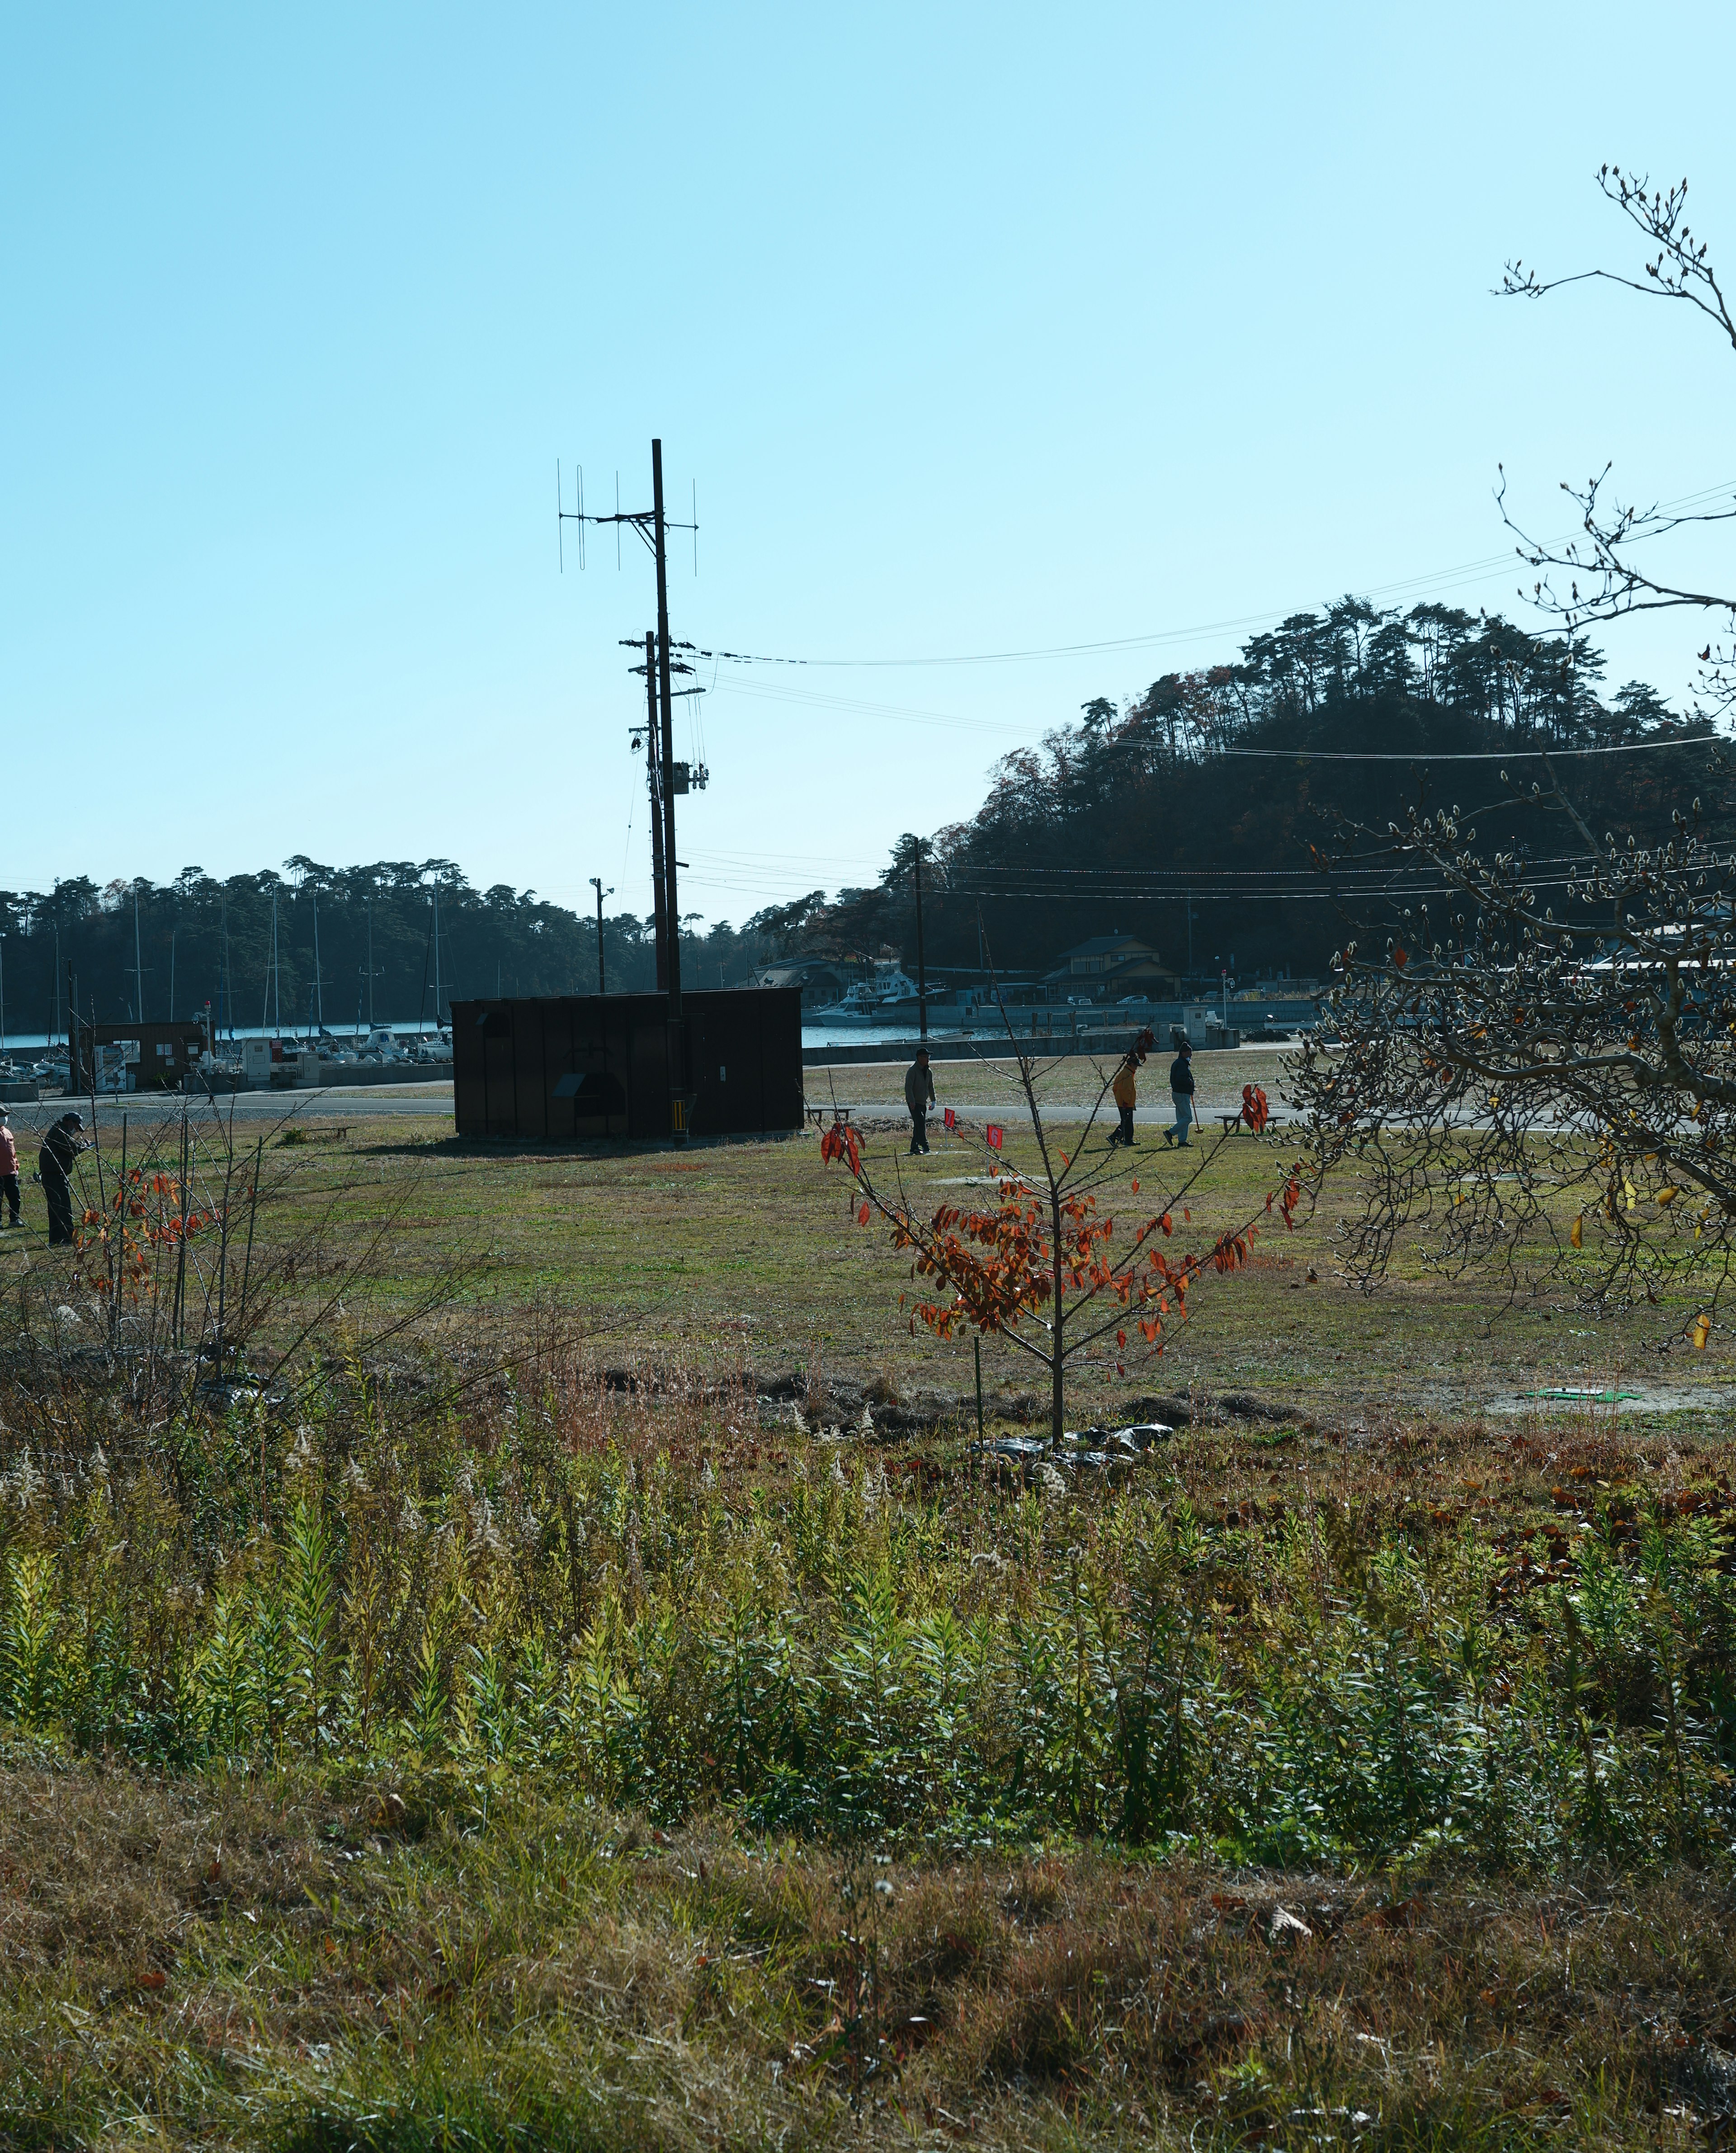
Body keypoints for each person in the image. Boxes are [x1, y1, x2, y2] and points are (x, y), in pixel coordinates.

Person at [39, 1111, 86, 1246]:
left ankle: (55, 1239)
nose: (76, 1131)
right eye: (76, 1127)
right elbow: (71, 1150)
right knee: (64, 1208)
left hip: (49, 1175)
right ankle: (67, 1239)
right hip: (56, 1176)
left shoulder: (58, 1130)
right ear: (70, 1122)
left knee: (54, 1209)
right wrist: (85, 1146)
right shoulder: (61, 1132)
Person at [1109, 1027, 1154, 1147]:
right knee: (1127, 1123)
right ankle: (1114, 1138)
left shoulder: (1124, 1073)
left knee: (1126, 1123)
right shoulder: (1128, 1075)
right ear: (1132, 1064)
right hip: (1125, 1104)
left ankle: (1127, 1140)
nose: (1137, 1068)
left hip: (1123, 1102)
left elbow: (1115, 1089)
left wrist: (1121, 1100)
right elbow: (1127, 1090)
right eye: (1136, 1066)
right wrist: (1126, 1102)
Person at [1164, 1035, 1195, 1147]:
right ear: (1184, 1053)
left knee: (1182, 1119)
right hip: (1182, 1094)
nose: (1191, 1055)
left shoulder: (1180, 1063)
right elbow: (1181, 1078)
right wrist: (1190, 1083)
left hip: (1179, 1093)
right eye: (1189, 1053)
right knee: (1188, 1118)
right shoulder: (1181, 1064)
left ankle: (1182, 1141)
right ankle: (1170, 1133)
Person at [905, 1047, 935, 1155]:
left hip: (923, 1102)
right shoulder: (913, 1071)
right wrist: (912, 1101)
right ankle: (923, 1145)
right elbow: (908, 1088)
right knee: (920, 1122)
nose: (928, 1059)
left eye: (929, 1057)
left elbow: (931, 1086)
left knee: (920, 1125)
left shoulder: (928, 1071)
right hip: (914, 1103)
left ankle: (916, 1147)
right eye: (926, 1057)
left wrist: (933, 1100)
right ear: (919, 1058)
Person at [0, 1113, 18, 1228]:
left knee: (15, 1197)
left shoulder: (7, 1132)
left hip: (11, 1172)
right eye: (2, 1115)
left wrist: (16, 1166)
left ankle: (15, 1220)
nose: (4, 1118)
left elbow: (13, 1152)